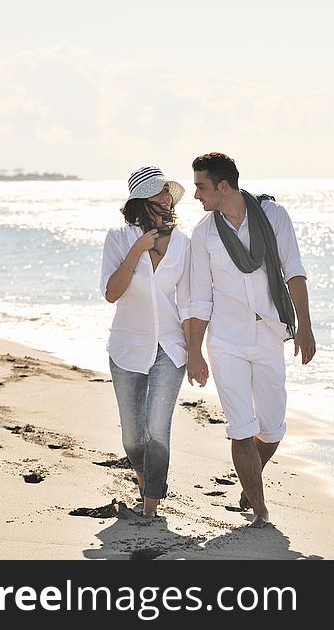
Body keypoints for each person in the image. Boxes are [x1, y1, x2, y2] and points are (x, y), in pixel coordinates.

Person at [186, 152, 316, 528]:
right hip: (226, 340)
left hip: (269, 333)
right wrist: (195, 352)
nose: (197, 195)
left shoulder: (273, 216)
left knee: (272, 427)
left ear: (222, 186)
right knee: (241, 426)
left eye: (201, 186)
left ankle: (249, 479)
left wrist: (304, 325)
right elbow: (199, 297)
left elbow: (294, 271)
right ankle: (260, 511)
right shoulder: (204, 233)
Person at [100, 166, 190, 517]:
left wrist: (196, 351)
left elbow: (191, 301)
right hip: (126, 348)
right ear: (141, 201)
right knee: (133, 438)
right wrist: (137, 249)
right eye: (159, 192)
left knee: (157, 431)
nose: (167, 197)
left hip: (170, 348)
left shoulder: (184, 244)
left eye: (168, 191)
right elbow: (111, 293)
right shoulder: (118, 239)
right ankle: (144, 483)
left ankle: (150, 505)